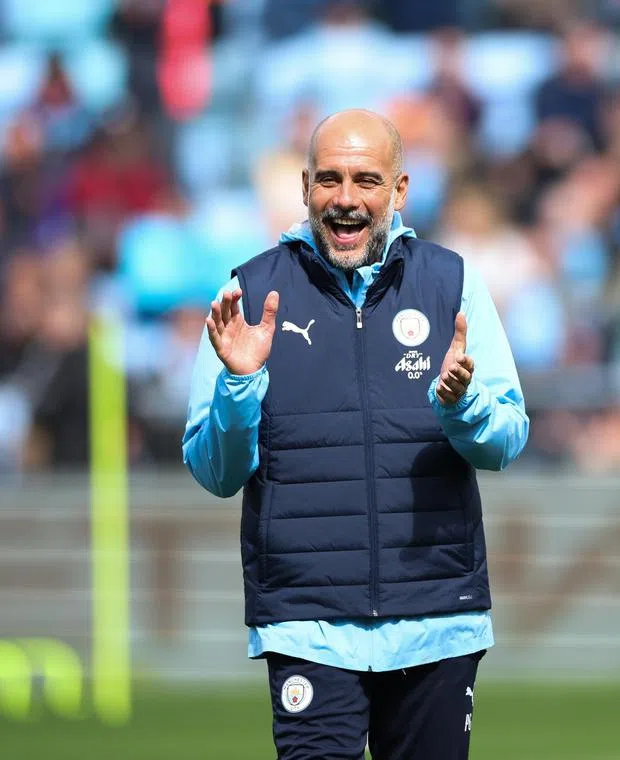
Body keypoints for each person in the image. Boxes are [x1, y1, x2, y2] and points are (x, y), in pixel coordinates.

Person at [182, 109, 529, 760]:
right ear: (305, 186)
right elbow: (215, 472)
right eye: (330, 179)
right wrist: (239, 385)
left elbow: (506, 439)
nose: (345, 199)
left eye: (366, 180)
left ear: (399, 191)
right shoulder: (250, 292)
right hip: (306, 620)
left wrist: (462, 406)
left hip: (435, 619)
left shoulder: (450, 282)